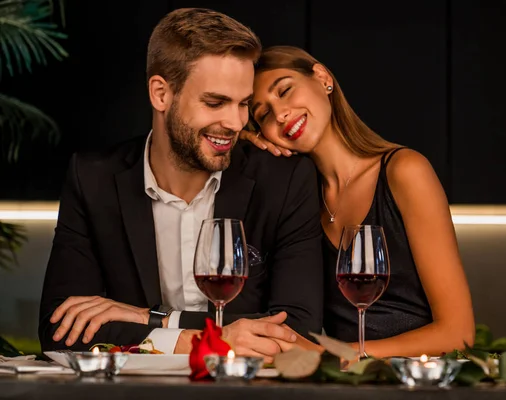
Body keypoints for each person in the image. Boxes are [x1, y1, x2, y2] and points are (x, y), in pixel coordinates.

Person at [38, 10, 323, 362]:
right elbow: (60, 328)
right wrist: (198, 341)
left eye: (244, 104)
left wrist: (152, 319)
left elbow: (298, 333)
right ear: (161, 94)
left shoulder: (284, 180)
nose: (235, 123)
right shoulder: (92, 178)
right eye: (215, 102)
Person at [244, 45, 475, 358]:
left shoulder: (405, 171)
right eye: (263, 115)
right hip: (347, 385)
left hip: (416, 383)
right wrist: (242, 139)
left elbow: (458, 334)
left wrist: (339, 355)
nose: (280, 114)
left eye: (284, 90)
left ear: (322, 77)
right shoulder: (298, 201)